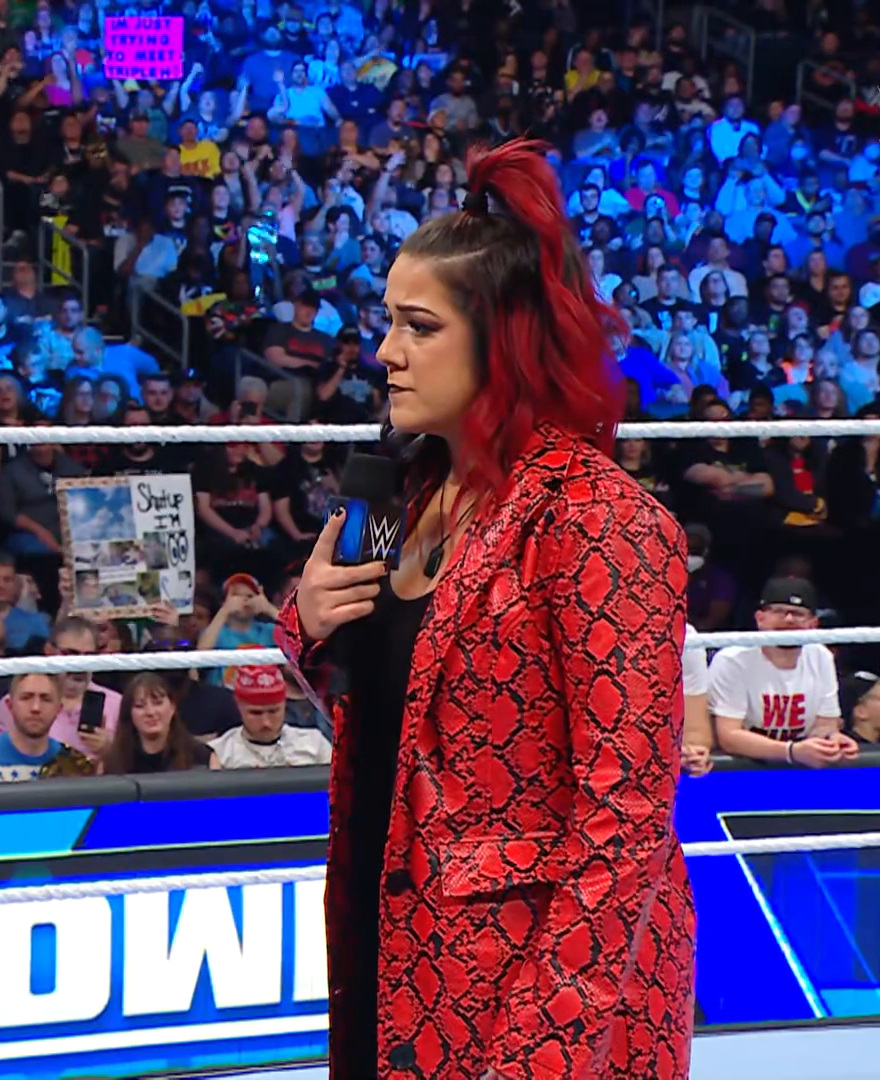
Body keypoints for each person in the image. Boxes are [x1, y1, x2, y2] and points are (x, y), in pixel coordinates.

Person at [280, 141, 694, 1079]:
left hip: (530, 994)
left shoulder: (596, 520)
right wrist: (308, 622)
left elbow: (626, 819)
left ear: (502, 340)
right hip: (391, 946)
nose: (386, 353)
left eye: (418, 327)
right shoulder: (402, 490)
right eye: (388, 321)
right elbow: (371, 690)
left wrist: (542, 1050)